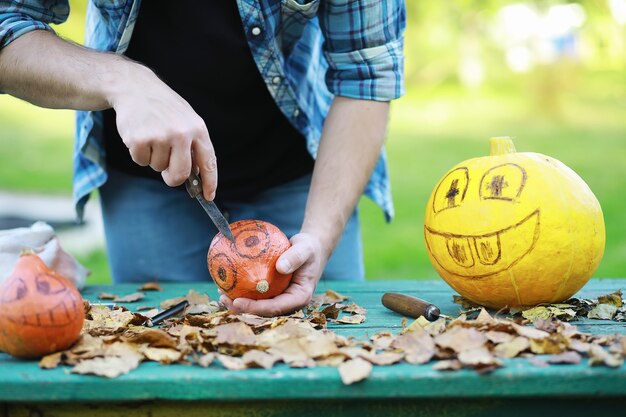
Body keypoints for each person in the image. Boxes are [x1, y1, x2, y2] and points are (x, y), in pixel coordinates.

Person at [0, 0, 405, 316]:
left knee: (323, 363)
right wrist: (123, 80)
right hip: (148, 175)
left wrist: (318, 234)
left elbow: (366, 73)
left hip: (303, 173)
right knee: (167, 360)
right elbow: (8, 24)